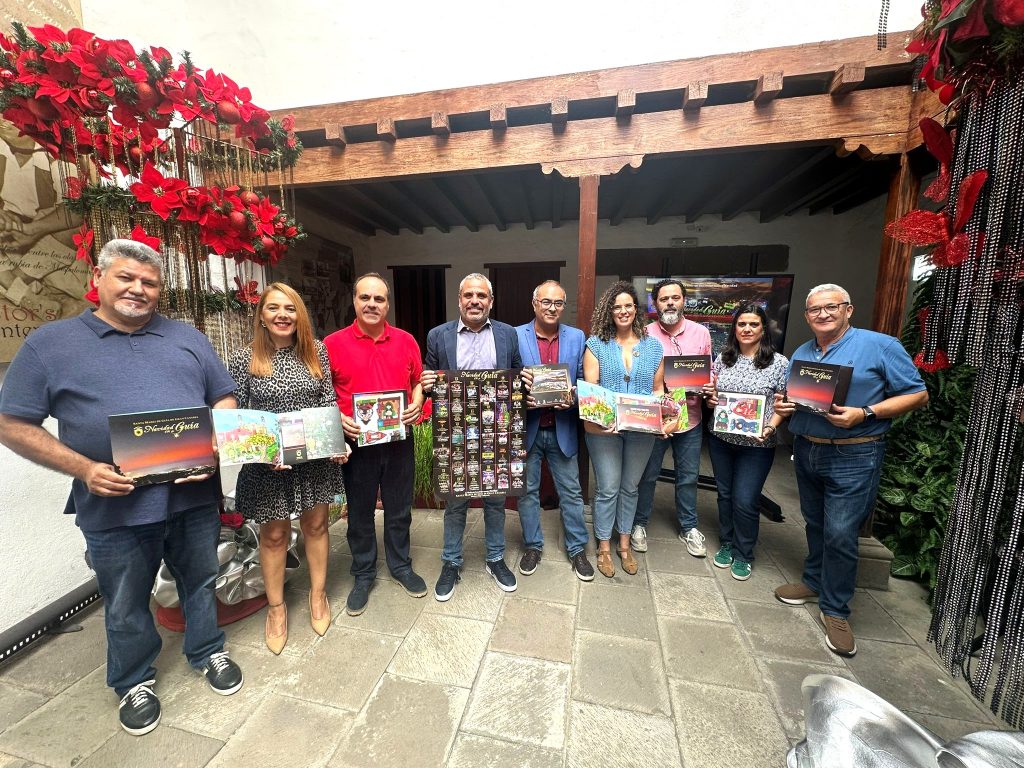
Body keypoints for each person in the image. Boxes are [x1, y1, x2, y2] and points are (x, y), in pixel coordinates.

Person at [0, 239, 243, 736]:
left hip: (193, 496)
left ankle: (207, 650)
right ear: (99, 279)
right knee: (126, 598)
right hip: (113, 506)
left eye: (149, 282)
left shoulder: (188, 338)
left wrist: (214, 447)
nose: (138, 289)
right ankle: (134, 679)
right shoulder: (51, 344)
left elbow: (223, 396)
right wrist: (84, 469)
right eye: (126, 278)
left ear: (160, 289)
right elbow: (11, 422)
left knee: (199, 580)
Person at [773, 284, 928, 657]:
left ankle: (836, 609)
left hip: (855, 453)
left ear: (848, 309)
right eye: (814, 310)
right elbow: (798, 396)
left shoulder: (881, 346)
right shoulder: (804, 351)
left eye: (831, 307)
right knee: (813, 522)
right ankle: (813, 582)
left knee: (841, 532)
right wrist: (786, 403)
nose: (822, 314)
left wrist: (866, 412)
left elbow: (918, 394)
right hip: (809, 448)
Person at [228, 282, 346, 654]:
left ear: (300, 316)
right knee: (275, 536)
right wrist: (263, 452)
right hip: (268, 466)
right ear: (261, 315)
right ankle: (276, 609)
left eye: (290, 308)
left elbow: (327, 404)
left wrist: (337, 442)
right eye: (274, 308)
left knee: (316, 525)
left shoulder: (317, 355)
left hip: (313, 462)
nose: (283, 315)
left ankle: (318, 595)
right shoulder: (244, 359)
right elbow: (238, 419)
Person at [324, 272, 427, 617]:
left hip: (399, 441)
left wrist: (416, 401)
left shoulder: (405, 340)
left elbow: (417, 382)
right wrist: (338, 418)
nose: (372, 304)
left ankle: (400, 566)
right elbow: (322, 394)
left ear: (387, 304)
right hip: (358, 444)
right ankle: (363, 573)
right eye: (365, 298)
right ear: (354, 301)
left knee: (399, 510)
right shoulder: (332, 344)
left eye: (379, 299)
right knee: (360, 514)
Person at [421, 272, 522, 600]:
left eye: (481, 296)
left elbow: (516, 375)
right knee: (456, 500)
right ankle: (451, 561)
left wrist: (528, 382)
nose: (475, 301)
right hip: (456, 432)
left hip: (497, 431)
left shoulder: (508, 334)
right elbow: (432, 381)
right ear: (459, 300)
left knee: (496, 498)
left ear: (491, 301)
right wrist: (427, 383)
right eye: (469, 296)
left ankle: (495, 557)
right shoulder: (438, 336)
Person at [583, 280, 669, 578]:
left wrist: (664, 418)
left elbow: (658, 390)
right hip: (604, 430)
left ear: (637, 310)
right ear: (609, 311)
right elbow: (591, 388)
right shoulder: (596, 345)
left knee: (630, 487)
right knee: (607, 487)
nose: (623, 311)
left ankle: (624, 543)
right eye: (617, 306)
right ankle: (604, 546)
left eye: (628, 306)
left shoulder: (653, 346)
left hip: (642, 430)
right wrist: (598, 420)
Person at [703, 303, 788, 582]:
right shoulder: (722, 358)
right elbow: (712, 395)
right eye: (741, 324)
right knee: (725, 494)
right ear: (734, 329)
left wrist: (770, 427)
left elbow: (783, 405)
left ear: (763, 328)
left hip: (757, 444)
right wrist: (711, 399)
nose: (747, 329)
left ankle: (744, 553)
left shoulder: (779, 363)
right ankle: (727, 542)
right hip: (721, 439)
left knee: (745, 499)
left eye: (753, 324)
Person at [515, 280, 594, 581]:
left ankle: (577, 550)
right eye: (546, 302)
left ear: (563, 306)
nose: (552, 308)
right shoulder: (515, 335)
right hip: (528, 428)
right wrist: (521, 392)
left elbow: (581, 379)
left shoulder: (576, 337)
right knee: (527, 492)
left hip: (562, 428)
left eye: (558, 303)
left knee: (572, 493)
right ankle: (533, 546)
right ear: (534, 303)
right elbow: (509, 379)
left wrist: (572, 398)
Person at [633, 278, 712, 558]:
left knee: (688, 476)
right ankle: (639, 524)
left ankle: (689, 527)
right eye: (664, 298)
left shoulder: (701, 333)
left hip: (690, 419)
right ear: (655, 303)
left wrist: (708, 385)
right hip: (654, 419)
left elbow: (709, 372)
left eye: (675, 298)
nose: (669, 303)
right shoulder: (643, 333)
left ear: (683, 301)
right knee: (648, 474)